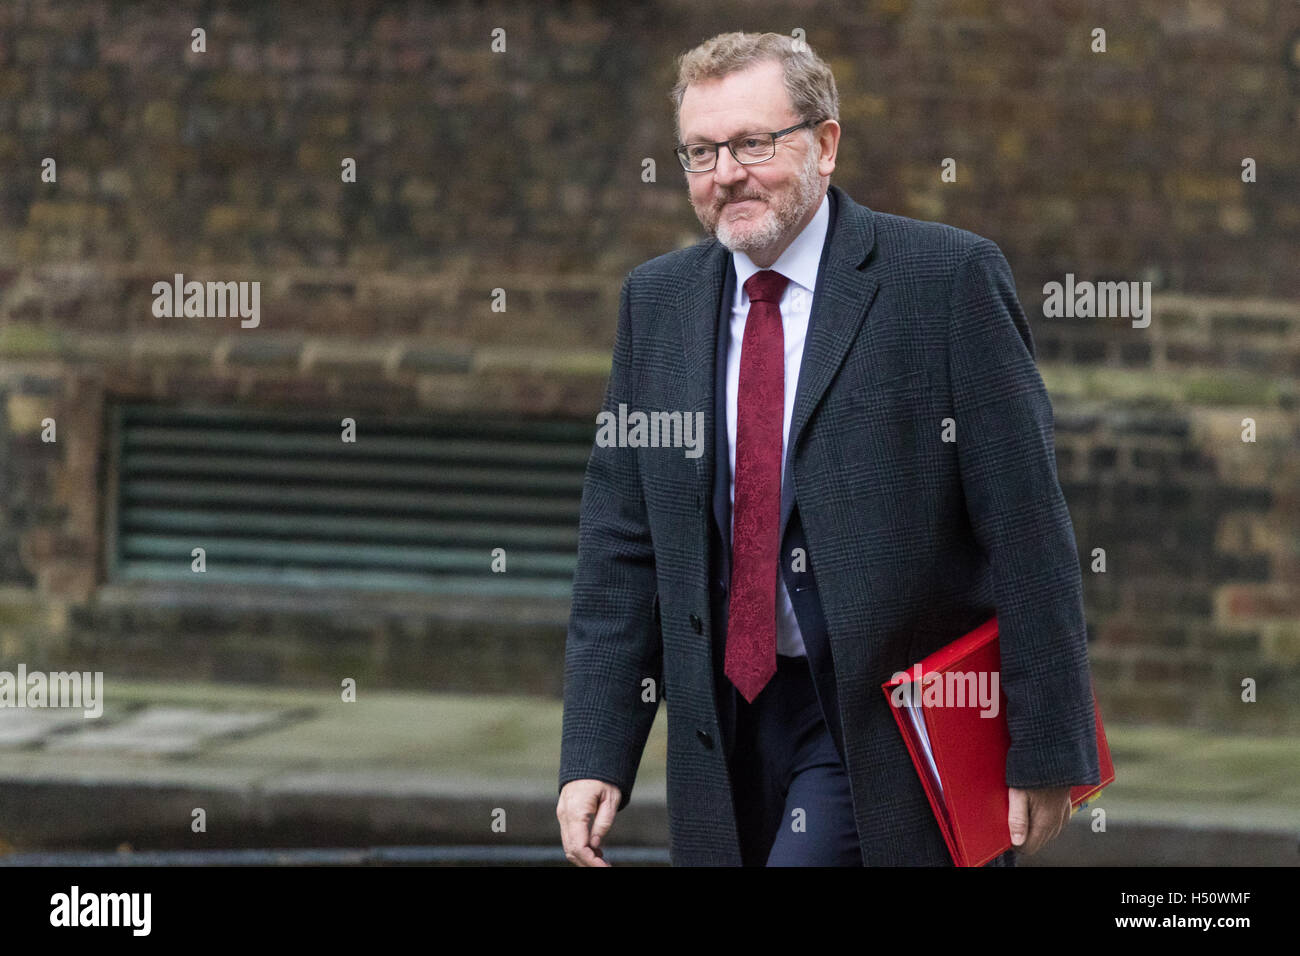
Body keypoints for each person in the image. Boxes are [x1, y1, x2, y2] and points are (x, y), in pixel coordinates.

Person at [556, 31, 1100, 866]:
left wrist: (1048, 745)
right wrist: (596, 752)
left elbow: (1026, 528)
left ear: (827, 143)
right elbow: (621, 544)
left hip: (879, 724)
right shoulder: (656, 302)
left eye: (752, 143)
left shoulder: (944, 282)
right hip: (721, 724)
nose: (725, 173)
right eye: (701, 152)